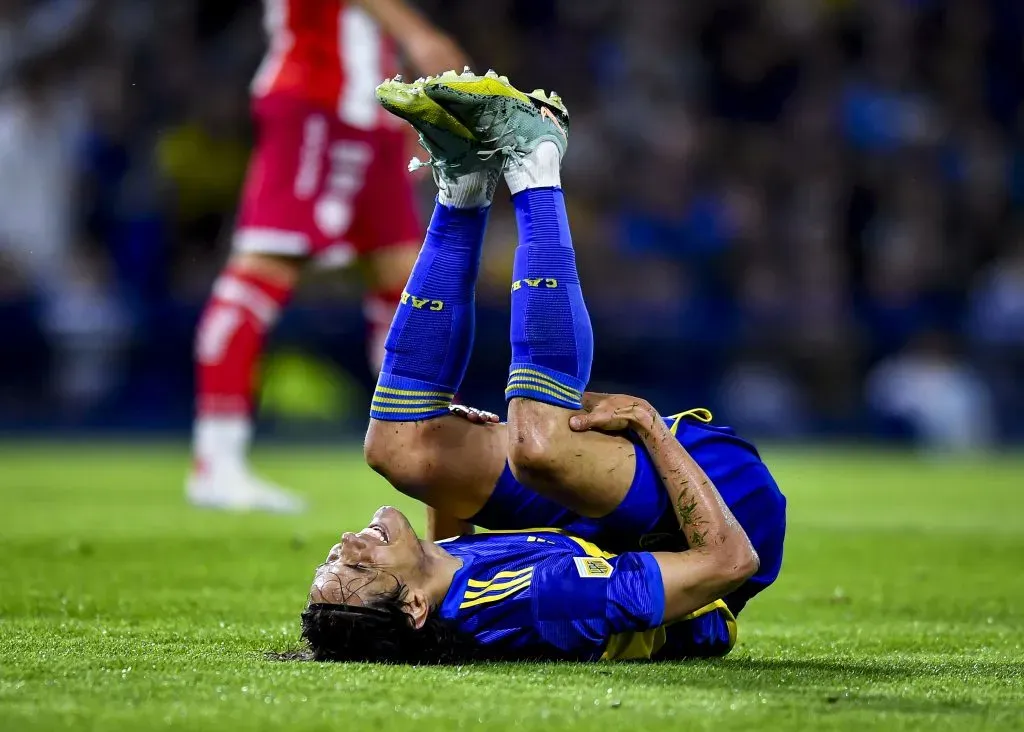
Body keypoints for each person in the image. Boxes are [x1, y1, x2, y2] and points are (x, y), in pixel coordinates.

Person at [300, 71, 787, 662]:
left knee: (399, 449)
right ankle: (536, 160)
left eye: (333, 558)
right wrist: (650, 427)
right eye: (356, 566)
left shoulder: (449, 596)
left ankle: (465, 184)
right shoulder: (546, 604)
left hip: (602, 531)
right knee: (538, 446)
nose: (347, 543)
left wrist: (438, 466)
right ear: (412, 608)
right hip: (725, 513)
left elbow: (452, 546)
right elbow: (731, 563)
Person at [187, 0, 470, 513]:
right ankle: (216, 461)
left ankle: (423, 444)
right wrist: (418, 34)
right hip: (316, 99)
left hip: (369, 111)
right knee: (262, 269)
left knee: (407, 284)